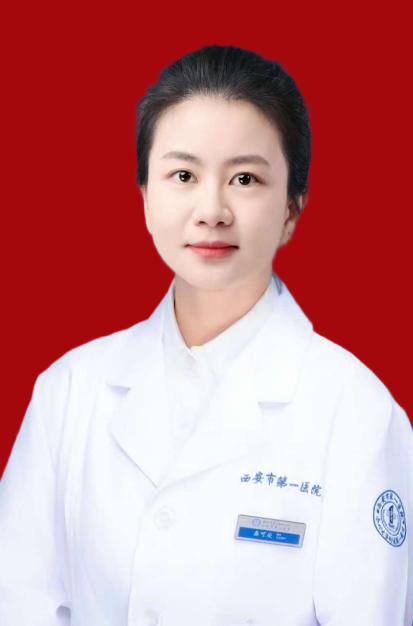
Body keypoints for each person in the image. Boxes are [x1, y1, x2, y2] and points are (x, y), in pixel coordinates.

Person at [0, 43, 412, 626]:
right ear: (146, 198)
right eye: (183, 175)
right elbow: (19, 604)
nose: (212, 210)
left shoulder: (359, 413)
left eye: (245, 178)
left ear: (292, 208)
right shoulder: (68, 391)